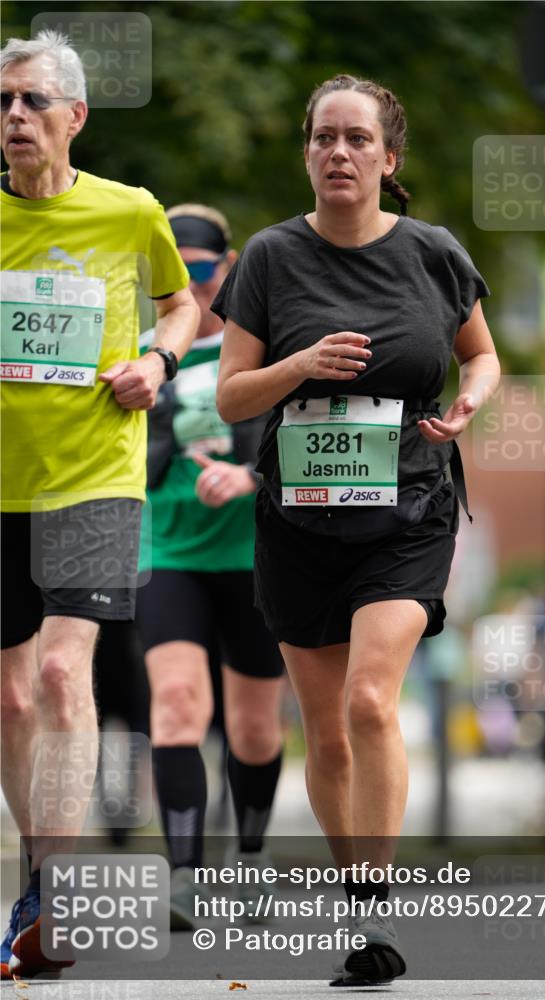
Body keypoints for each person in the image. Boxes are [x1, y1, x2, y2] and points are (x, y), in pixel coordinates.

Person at [212, 74, 501, 987]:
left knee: (372, 702)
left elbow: (482, 354)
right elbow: (229, 395)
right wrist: (298, 363)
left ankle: (375, 910)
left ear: (388, 157)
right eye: (323, 138)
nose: (338, 153)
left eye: (356, 139)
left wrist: (469, 405)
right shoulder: (267, 257)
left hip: (406, 512)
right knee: (325, 733)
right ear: (307, 152)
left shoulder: (433, 254)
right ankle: (355, 906)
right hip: (298, 522)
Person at [0, 31, 198, 979]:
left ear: (75, 116)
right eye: (3, 103)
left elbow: (182, 303)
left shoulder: (130, 213)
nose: (14, 118)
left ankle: (49, 895)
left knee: (58, 680)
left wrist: (157, 361)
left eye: (33, 101)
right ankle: (37, 876)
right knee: (7, 694)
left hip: (93, 479)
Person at [136, 203, 285, 930]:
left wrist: (251, 478)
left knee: (255, 728)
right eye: (176, 273)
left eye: (202, 271)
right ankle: (185, 876)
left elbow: (300, 436)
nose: (191, 288)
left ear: (225, 270)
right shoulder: (145, 353)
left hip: (253, 556)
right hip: (165, 550)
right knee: (176, 705)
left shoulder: (261, 349)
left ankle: (250, 861)